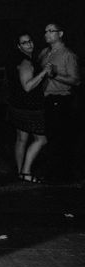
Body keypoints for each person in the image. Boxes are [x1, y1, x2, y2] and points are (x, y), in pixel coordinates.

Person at [38, 23, 81, 182]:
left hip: (61, 99)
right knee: (49, 136)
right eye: (45, 31)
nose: (47, 34)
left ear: (60, 33)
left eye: (51, 31)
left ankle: (62, 174)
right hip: (46, 99)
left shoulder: (68, 55)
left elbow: (76, 80)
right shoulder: (44, 53)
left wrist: (55, 76)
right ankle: (54, 172)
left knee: (60, 137)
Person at [6, 33, 52, 183]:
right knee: (41, 140)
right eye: (24, 43)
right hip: (29, 108)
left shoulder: (22, 60)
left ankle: (20, 173)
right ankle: (26, 172)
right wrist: (44, 72)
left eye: (30, 41)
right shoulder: (25, 62)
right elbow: (27, 86)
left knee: (22, 138)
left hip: (18, 105)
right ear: (19, 46)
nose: (29, 44)